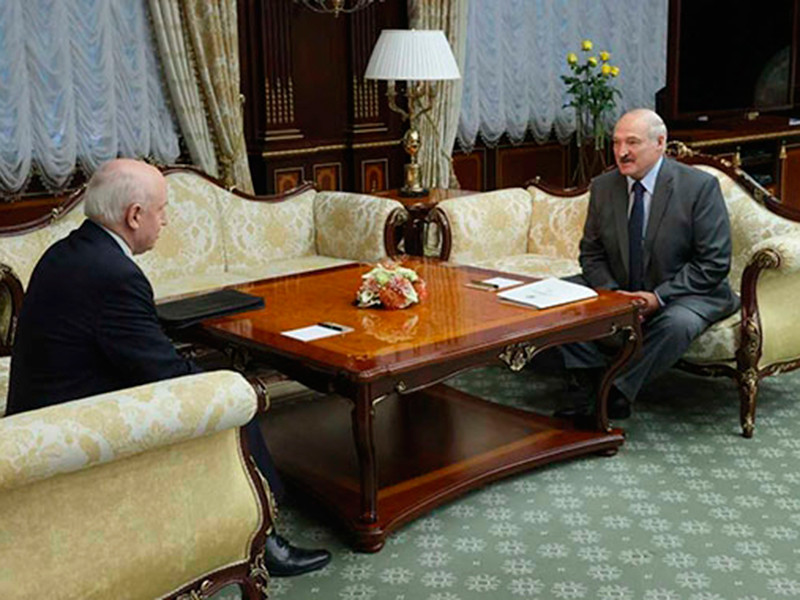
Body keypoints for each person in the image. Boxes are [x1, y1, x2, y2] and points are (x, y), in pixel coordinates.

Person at [6, 158, 331, 577]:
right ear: (134, 215)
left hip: (50, 404)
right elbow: (165, 375)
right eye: (161, 210)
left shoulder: (71, 250)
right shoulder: (114, 274)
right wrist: (218, 385)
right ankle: (263, 538)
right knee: (234, 399)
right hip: (74, 422)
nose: (166, 221)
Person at [558, 109, 740, 421]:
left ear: (660, 143)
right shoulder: (603, 187)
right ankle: (589, 379)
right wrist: (612, 294)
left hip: (687, 292)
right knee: (558, 297)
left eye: (632, 142)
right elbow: (591, 253)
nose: (621, 152)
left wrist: (659, 297)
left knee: (678, 323)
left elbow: (713, 262)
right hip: (620, 285)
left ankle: (615, 392)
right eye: (616, 143)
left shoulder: (698, 187)